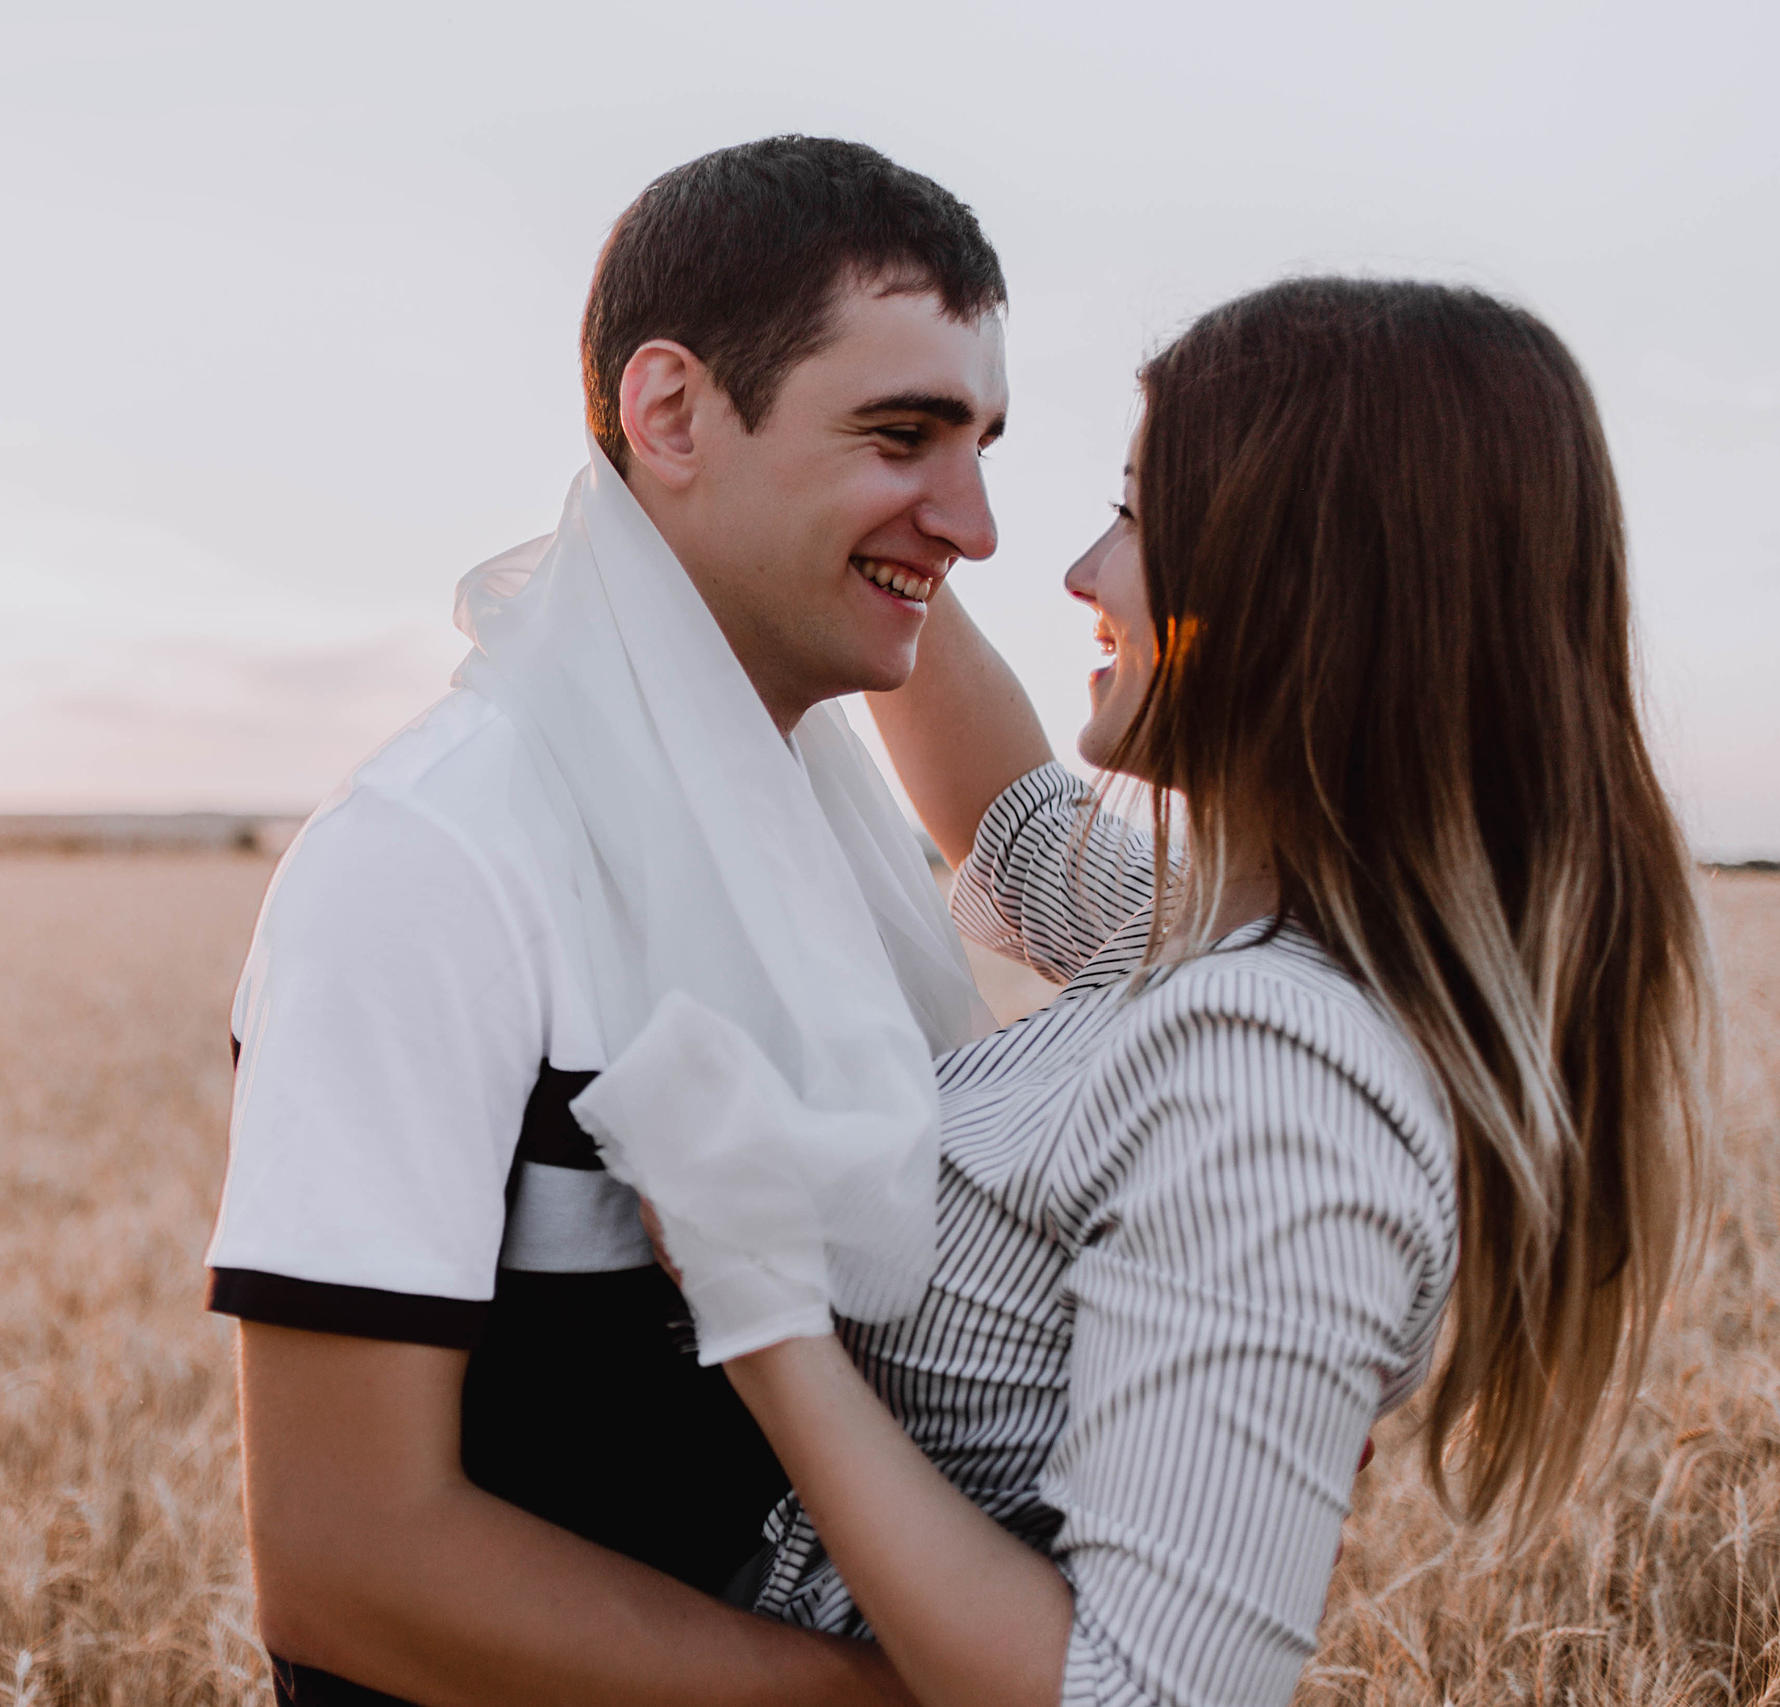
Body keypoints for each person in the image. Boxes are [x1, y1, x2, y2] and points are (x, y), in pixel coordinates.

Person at [586, 277, 1718, 1706]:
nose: (1077, 571)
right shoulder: (1218, 943)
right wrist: (865, 547)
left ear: (1302, 586)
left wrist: (767, 1316)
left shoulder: (1278, 1074)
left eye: (1133, 514)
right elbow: (1002, 804)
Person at [201, 135, 1008, 1704]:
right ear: (668, 414)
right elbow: (345, 1563)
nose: (972, 524)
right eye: (904, 432)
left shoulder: (828, 837)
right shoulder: (436, 857)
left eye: (980, 441)